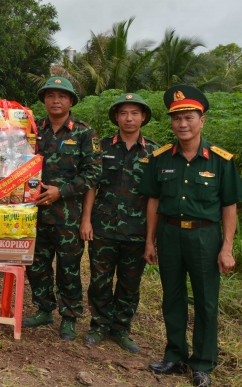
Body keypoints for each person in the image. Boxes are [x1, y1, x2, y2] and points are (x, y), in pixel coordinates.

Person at [139, 85, 242, 387]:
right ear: (171, 123)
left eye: (189, 117)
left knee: (206, 301)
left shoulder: (220, 160)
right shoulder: (161, 158)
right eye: (177, 119)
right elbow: (153, 202)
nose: (182, 124)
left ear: (202, 120)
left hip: (205, 237)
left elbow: (229, 206)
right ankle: (174, 354)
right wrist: (150, 240)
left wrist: (227, 248)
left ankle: (202, 363)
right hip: (170, 234)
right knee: (172, 297)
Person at [23, 76, 101, 341]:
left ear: (71, 101)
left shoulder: (84, 132)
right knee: (36, 265)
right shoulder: (33, 129)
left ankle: (69, 317)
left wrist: (61, 191)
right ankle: (44, 309)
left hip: (68, 216)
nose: (56, 101)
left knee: (68, 268)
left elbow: (93, 173)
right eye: (50, 96)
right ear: (44, 100)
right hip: (34, 213)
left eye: (62, 96)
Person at [80, 93, 158, 353]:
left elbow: (154, 198)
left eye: (135, 113)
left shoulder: (154, 152)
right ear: (116, 117)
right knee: (100, 280)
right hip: (103, 226)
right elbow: (92, 185)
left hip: (136, 232)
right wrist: (87, 220)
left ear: (143, 117)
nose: (129, 118)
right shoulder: (101, 147)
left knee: (129, 284)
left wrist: (150, 238)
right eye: (123, 113)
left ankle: (121, 329)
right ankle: (99, 326)